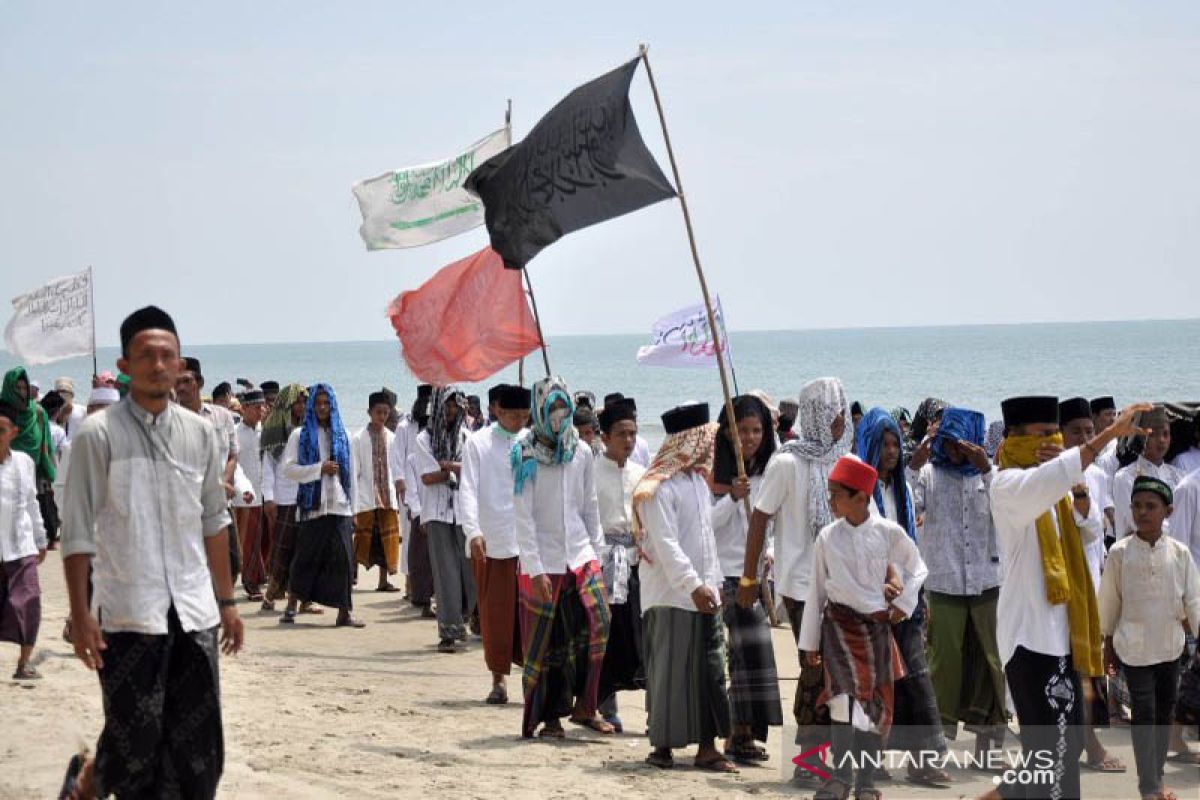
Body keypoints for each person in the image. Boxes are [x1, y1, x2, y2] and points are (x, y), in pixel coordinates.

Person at [57, 306, 243, 799]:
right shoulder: (97, 436)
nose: (158, 365)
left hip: (194, 611)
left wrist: (227, 604)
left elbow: (214, 521)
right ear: (124, 365)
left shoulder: (201, 434)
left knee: (198, 750)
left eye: (167, 356)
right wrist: (81, 613)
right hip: (127, 614)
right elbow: (76, 534)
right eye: (146, 356)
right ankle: (89, 781)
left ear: (181, 364)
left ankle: (91, 780)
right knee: (134, 743)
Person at [980, 396, 1149, 800]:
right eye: (1040, 436)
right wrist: (1105, 436)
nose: (1051, 444)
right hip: (1029, 640)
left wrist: (1079, 494)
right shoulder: (1007, 486)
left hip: (1064, 636)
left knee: (1065, 748)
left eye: (1053, 435)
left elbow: (1089, 530)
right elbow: (1049, 476)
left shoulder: (1056, 487)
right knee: (1050, 755)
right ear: (1013, 439)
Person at [737, 377, 852, 782]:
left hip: (841, 585)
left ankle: (824, 757)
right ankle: (810, 759)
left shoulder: (842, 459)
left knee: (834, 673)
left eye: (842, 411)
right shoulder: (788, 462)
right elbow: (760, 518)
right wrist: (749, 579)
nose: (840, 420)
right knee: (814, 669)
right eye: (833, 412)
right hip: (802, 583)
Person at [798, 455, 927, 800]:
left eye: (836, 495)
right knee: (841, 702)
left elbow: (918, 569)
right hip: (838, 628)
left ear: (860, 497)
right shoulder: (827, 537)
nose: (830, 502)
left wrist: (903, 604)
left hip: (876, 630)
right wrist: (809, 643)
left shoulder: (888, 532)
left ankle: (866, 782)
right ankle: (840, 778)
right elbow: (816, 591)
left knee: (871, 708)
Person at [635, 402, 736, 773]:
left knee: (710, 670)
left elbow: (706, 534)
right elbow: (666, 544)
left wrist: (715, 581)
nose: (712, 449)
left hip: (704, 591)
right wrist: (693, 584)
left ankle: (707, 747)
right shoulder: (656, 488)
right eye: (706, 441)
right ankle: (662, 746)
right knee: (670, 673)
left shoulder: (696, 482)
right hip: (671, 595)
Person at [513, 377, 611, 738]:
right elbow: (523, 517)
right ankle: (549, 717)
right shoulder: (525, 454)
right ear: (540, 411)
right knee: (546, 641)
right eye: (552, 410)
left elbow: (590, 506)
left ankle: (587, 705)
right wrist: (535, 568)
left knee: (597, 622)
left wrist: (596, 555)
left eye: (563, 410)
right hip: (543, 559)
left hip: (580, 553)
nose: (559, 417)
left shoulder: (580, 451)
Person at [862, 405, 955, 784]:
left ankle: (925, 761)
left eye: (895, 444)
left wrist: (915, 598)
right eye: (883, 444)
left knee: (917, 679)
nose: (891, 451)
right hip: (872, 603)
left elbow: (911, 551)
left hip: (908, 603)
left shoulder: (902, 490)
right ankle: (875, 759)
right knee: (878, 685)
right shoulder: (861, 492)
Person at [1100, 476, 1200, 800]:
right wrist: (1107, 644)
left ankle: (1155, 778)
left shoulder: (1180, 554)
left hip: (1170, 647)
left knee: (1163, 713)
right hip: (1133, 648)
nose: (1142, 512)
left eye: (1151, 506)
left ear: (1167, 511)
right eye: (1137, 506)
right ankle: (1149, 787)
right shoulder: (1119, 553)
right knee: (1143, 712)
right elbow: (1110, 601)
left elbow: (1193, 601)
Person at [710, 395, 783, 764]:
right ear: (727, 433)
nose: (750, 438)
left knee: (756, 654)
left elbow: (768, 523)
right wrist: (732, 498)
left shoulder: (768, 471)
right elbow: (705, 528)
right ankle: (734, 735)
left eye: (757, 430)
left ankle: (746, 733)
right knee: (738, 654)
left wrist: (768, 553)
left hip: (756, 574)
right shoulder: (714, 473)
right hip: (725, 573)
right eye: (742, 431)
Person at [1056, 397, 1127, 773]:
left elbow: (1096, 533)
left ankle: (1089, 740)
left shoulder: (1099, 477)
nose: (1085, 438)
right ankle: (1077, 742)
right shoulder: (1050, 475)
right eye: (1076, 432)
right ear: (1060, 433)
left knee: (1088, 666)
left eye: (1089, 431)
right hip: (1058, 588)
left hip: (1091, 583)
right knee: (1063, 666)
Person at [460, 383, 530, 704]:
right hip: (493, 538)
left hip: (530, 542)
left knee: (530, 613)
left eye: (524, 415)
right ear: (497, 411)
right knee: (496, 612)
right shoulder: (478, 443)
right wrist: (473, 531)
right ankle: (498, 679)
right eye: (513, 415)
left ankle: (533, 678)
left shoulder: (533, 443)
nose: (518, 421)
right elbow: (469, 489)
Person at [279, 384, 364, 628]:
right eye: (318, 403)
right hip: (312, 507)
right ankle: (292, 606)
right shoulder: (300, 435)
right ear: (311, 406)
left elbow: (352, 475)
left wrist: (354, 510)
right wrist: (318, 469)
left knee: (344, 560)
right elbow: (288, 469)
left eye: (327, 403)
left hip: (339, 506)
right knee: (305, 558)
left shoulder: (343, 435)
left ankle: (344, 613)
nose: (323, 408)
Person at [594, 397, 648, 732]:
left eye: (632, 434)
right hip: (602, 562)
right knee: (605, 636)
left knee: (638, 636)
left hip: (635, 562)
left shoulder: (642, 475)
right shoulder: (590, 472)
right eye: (621, 434)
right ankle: (604, 705)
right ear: (605, 437)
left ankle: (650, 710)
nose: (628, 441)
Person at [414, 386, 475, 652]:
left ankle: (465, 619)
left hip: (464, 512)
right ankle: (448, 631)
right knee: (445, 572)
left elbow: (473, 473)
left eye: (455, 405)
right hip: (437, 513)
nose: (451, 411)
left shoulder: (466, 436)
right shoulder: (424, 439)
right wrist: (455, 470)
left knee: (470, 570)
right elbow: (427, 477)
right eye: (447, 406)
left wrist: (446, 466)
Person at [176, 357, 241, 582]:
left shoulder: (222, 416)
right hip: (185, 508)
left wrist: (223, 481)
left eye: (186, 381)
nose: (181, 387)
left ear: (200, 382)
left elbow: (233, 454)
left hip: (220, 504)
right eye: (177, 382)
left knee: (232, 564)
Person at [0, 401, 47, 681]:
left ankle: (24, 663)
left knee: (29, 600)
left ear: (13, 432)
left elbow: (32, 502)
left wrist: (41, 538)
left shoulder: (24, 463)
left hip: (21, 545)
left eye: (1, 430)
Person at [261, 384, 307, 611]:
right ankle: (271, 595)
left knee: (305, 549)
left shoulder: (308, 428)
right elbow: (268, 466)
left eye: (304, 401)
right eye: (298, 402)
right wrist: (269, 498)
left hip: (305, 495)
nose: (302, 406)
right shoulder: (274, 430)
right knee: (283, 549)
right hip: (284, 496)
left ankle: (304, 599)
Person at [351, 391, 401, 593]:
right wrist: (353, 504)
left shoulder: (393, 438)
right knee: (361, 539)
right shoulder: (358, 438)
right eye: (379, 412)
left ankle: (383, 580)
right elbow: (354, 472)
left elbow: (396, 469)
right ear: (369, 412)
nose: (382, 416)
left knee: (386, 541)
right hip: (365, 496)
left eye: (386, 412)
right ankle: (350, 577)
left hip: (387, 497)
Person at [1110, 405, 1184, 539]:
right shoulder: (1125, 477)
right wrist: (1182, 530)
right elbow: (1141, 524)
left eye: (1165, 434)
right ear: (1140, 437)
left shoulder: (1180, 476)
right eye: (1153, 434)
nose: (1161, 440)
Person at [233, 389, 268, 601]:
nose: (260, 411)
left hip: (263, 493)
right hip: (242, 496)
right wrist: (241, 489)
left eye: (262, 407)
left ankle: (256, 578)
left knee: (258, 539)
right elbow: (232, 463)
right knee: (245, 541)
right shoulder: (235, 433)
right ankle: (250, 583)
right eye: (256, 407)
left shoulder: (265, 433)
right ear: (244, 409)